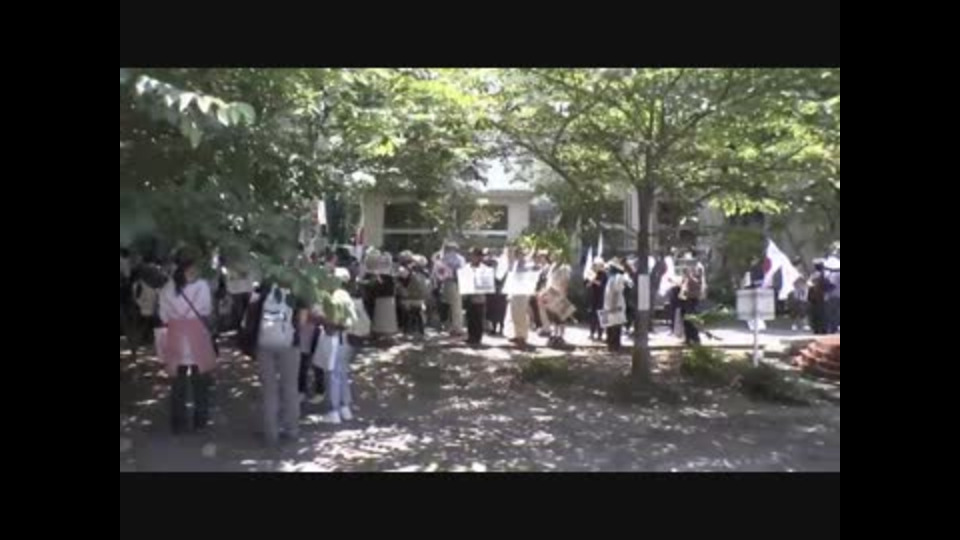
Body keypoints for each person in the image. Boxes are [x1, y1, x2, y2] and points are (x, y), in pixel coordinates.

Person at [157, 249, 218, 435]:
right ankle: (200, 420)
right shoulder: (202, 286)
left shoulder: (167, 288)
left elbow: (163, 315)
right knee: (201, 380)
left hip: (176, 335)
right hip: (197, 334)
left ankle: (178, 422)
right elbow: (206, 310)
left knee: (178, 382)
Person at [249, 278, 310, 446]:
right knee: (290, 387)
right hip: (290, 344)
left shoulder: (263, 285)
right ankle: (292, 430)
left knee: (269, 389)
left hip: (264, 342)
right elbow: (303, 320)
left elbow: (252, 311)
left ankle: (271, 433)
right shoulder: (298, 285)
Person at [508, 248, 535, 349]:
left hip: (523, 293)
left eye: (520, 254)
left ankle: (523, 337)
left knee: (522, 316)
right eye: (517, 254)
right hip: (514, 292)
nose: (519, 256)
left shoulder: (528, 265)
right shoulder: (515, 264)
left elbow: (530, 279)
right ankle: (517, 335)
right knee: (514, 315)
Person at [545, 250, 573, 346]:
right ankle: (554, 335)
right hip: (551, 294)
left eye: (556, 255)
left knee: (561, 317)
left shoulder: (564, 268)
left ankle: (560, 336)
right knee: (553, 317)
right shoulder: (552, 266)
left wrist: (563, 296)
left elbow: (565, 282)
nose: (553, 257)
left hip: (559, 294)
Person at [464, 248, 488, 346]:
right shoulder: (467, 267)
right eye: (471, 255)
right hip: (469, 295)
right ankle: (471, 336)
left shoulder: (484, 268)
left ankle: (477, 337)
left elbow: (487, 281)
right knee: (470, 317)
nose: (472, 257)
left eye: (474, 255)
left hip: (479, 296)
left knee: (478, 317)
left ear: (479, 257)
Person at [604, 260, 629, 352]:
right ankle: (611, 345)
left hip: (615, 305)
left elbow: (616, 291)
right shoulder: (611, 278)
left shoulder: (618, 277)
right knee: (610, 326)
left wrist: (613, 305)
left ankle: (615, 345)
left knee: (616, 326)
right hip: (609, 305)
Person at [441, 243, 466, 335]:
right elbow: (463, 271)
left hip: (447, 283)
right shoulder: (460, 259)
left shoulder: (444, 258)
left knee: (449, 306)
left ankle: (450, 326)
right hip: (457, 283)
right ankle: (457, 327)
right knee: (457, 306)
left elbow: (440, 272)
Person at [396, 264, 428, 336]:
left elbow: (405, 292)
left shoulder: (409, 279)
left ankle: (406, 330)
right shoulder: (420, 276)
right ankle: (420, 331)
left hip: (411, 300)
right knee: (417, 313)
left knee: (405, 311)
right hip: (420, 300)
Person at [486, 250, 508, 336]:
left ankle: (501, 328)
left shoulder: (502, 270)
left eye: (494, 263)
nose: (493, 264)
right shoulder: (489, 270)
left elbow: (503, 280)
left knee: (501, 312)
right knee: (492, 312)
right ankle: (494, 328)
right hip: (492, 293)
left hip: (501, 293)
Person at [679, 267, 703, 346]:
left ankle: (696, 339)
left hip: (692, 303)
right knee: (686, 322)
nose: (684, 274)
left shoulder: (694, 280)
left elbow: (696, 292)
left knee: (692, 321)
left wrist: (687, 294)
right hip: (686, 302)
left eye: (685, 273)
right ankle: (688, 339)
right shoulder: (686, 280)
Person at [586, 258, 608, 342]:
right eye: (594, 265)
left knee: (601, 316)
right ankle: (592, 333)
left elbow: (600, 284)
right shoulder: (592, 273)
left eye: (596, 265)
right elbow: (587, 285)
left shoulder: (604, 274)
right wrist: (590, 281)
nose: (594, 266)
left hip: (602, 297)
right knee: (592, 315)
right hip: (593, 297)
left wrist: (593, 280)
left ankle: (600, 335)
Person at [807, 260, 831, 335]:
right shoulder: (823, 275)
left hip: (814, 299)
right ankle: (823, 329)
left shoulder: (812, 275)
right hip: (821, 298)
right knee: (822, 314)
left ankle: (816, 329)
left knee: (815, 314)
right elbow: (827, 286)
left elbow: (809, 285)